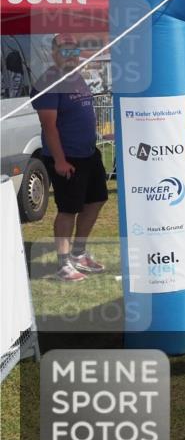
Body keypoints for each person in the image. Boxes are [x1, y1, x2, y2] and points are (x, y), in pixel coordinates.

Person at [31, 34, 107, 281]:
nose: (71, 56)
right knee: (68, 210)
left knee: (96, 201)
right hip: (67, 158)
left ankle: (78, 253)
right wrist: (60, 161)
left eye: (74, 51)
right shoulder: (49, 82)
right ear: (53, 54)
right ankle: (63, 264)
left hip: (88, 154)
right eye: (65, 51)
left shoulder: (76, 78)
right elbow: (49, 126)